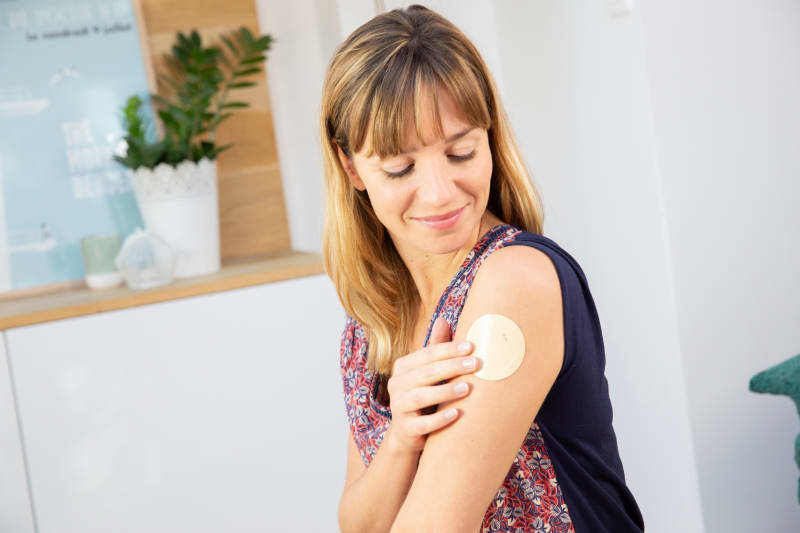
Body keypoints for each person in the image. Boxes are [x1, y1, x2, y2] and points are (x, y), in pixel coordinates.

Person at [320, 5, 645, 533]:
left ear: (489, 137)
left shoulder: (514, 284)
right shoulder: (372, 318)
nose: (441, 193)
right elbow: (358, 524)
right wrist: (403, 437)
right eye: (401, 167)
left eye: (462, 152)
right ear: (350, 167)